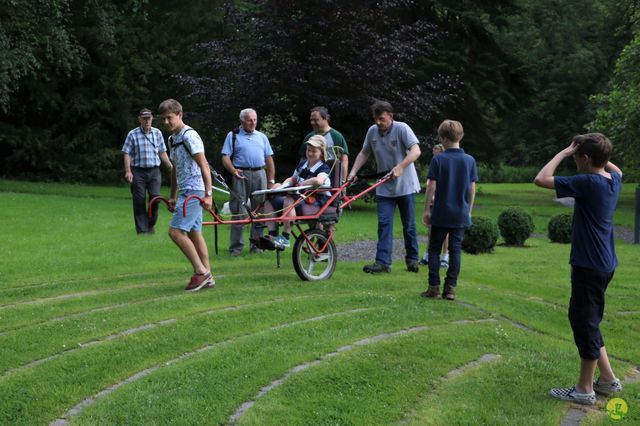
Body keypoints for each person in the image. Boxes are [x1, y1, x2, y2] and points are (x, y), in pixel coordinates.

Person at [534, 133, 623, 405]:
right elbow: (616, 168)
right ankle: (607, 379)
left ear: (585, 159)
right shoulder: (613, 180)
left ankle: (584, 390)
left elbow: (541, 179)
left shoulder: (588, 182)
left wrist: (562, 152)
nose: (573, 160)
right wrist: (601, 155)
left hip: (589, 264)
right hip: (604, 263)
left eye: (576, 156)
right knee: (589, 319)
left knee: (584, 322)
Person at [346, 100, 421, 273]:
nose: (378, 123)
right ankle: (383, 263)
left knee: (408, 225)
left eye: (382, 119)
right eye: (375, 119)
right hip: (384, 188)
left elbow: (416, 151)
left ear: (391, 116)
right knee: (384, 224)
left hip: (405, 186)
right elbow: (364, 153)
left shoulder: (402, 128)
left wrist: (400, 167)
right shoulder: (372, 131)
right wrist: (352, 173)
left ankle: (412, 259)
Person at [159, 99, 215, 292]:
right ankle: (208, 275)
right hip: (185, 191)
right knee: (194, 233)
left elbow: (204, 165)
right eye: (163, 119)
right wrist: (172, 195)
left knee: (175, 232)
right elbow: (175, 169)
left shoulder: (190, 136)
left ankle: (201, 272)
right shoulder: (172, 139)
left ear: (179, 115)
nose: (166, 122)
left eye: (169, 118)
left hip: (195, 191)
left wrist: (208, 194)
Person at [421, 120, 477, 301]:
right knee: (455, 250)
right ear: (460, 136)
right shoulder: (469, 160)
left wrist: (426, 210)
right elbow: (471, 189)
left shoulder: (439, 160)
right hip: (460, 213)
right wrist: (469, 210)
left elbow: (430, 187)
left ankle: (433, 288)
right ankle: (451, 289)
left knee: (435, 248)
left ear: (444, 138)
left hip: (441, 213)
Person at [221, 108, 276, 256]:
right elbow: (225, 157)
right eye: (249, 120)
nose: (253, 123)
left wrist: (271, 180)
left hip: (260, 173)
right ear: (242, 120)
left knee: (260, 210)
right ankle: (236, 248)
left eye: (255, 120)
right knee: (239, 210)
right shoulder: (233, 136)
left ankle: (256, 246)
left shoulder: (262, 136)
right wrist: (233, 171)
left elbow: (269, 159)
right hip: (240, 174)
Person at [264, 135, 332, 249]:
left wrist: (303, 183)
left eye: (313, 151)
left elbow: (319, 180)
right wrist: (281, 186)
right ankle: (273, 235)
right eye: (308, 150)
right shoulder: (303, 165)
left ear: (321, 153)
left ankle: (285, 237)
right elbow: (293, 179)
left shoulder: (323, 168)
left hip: (315, 200)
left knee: (289, 199)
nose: (310, 153)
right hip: (300, 198)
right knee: (269, 200)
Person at [121, 108, 173, 234]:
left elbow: (162, 152)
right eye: (144, 118)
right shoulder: (132, 134)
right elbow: (127, 153)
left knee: (155, 198)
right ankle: (142, 229)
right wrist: (128, 171)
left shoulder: (157, 133)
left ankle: (150, 224)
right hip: (138, 171)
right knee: (139, 199)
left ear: (152, 119)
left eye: (148, 118)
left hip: (154, 171)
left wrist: (170, 166)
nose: (146, 121)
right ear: (139, 119)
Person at [420, 143, 450, 268]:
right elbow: (430, 185)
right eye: (433, 151)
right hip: (434, 203)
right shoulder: (434, 164)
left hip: (443, 203)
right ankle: (428, 254)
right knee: (431, 230)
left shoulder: (444, 165)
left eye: (436, 151)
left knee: (445, 231)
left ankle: (445, 256)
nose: (434, 153)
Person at [300, 106, 349, 180]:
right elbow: (303, 159)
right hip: (309, 178)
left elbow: (344, 159)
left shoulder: (336, 136)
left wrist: (343, 180)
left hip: (331, 178)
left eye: (316, 120)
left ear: (325, 118)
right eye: (311, 120)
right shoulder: (309, 137)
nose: (312, 123)